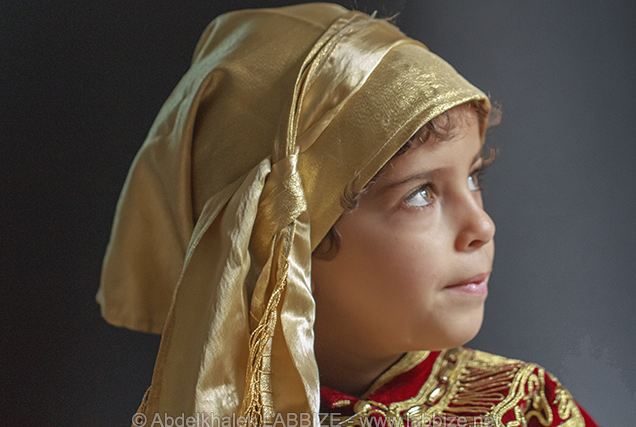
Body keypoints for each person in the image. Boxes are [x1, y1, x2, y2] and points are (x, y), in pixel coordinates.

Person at [97, 3, 599, 426]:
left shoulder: (530, 410)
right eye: (420, 194)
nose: (481, 227)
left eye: (473, 176)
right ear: (283, 239)